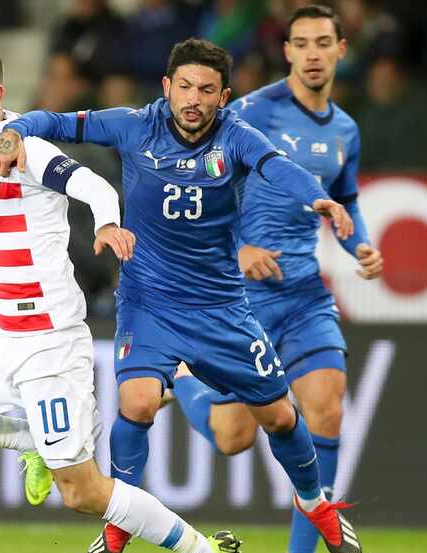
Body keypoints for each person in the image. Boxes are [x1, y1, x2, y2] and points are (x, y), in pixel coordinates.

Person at [0, 38, 362, 553]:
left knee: (277, 417)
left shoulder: (236, 137)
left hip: (221, 307)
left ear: (223, 96)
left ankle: (312, 500)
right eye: (184, 86)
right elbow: (54, 122)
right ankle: (116, 530)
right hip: (148, 302)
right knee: (137, 403)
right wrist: (12, 131)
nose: (194, 98)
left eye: (206, 90)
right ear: (167, 87)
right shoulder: (132, 124)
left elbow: (277, 167)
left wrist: (317, 196)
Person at [0, 44, 242, 553]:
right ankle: (21, 436)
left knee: (83, 492)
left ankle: (204, 549)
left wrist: (108, 223)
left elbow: (92, 185)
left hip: (47, 347)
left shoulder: (24, 147)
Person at [165, 8, 384, 553]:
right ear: (286, 51)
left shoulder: (345, 129)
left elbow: (346, 198)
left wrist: (359, 241)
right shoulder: (248, 114)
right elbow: (199, 184)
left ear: (341, 50)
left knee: (328, 409)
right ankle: (182, 377)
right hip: (242, 297)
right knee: (233, 438)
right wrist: (237, 247)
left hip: (305, 293)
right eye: (301, 43)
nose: (313, 53)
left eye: (323, 42)